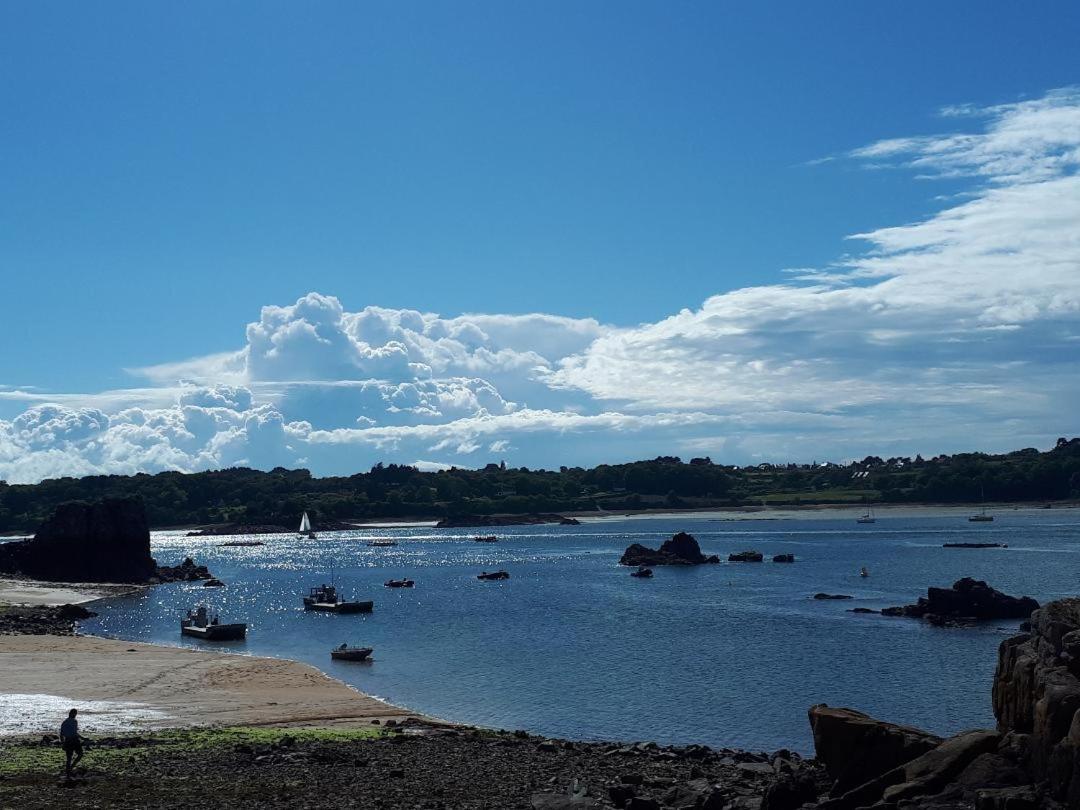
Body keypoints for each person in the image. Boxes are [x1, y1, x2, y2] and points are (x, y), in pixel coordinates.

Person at [59, 708, 84, 776]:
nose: (75, 715)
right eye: (75, 714)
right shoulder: (71, 722)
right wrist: (63, 743)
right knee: (77, 755)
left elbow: (62, 734)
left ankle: (69, 769)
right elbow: (73, 733)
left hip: (70, 740)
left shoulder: (66, 722)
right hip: (72, 740)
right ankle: (70, 769)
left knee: (70, 757)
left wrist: (63, 743)